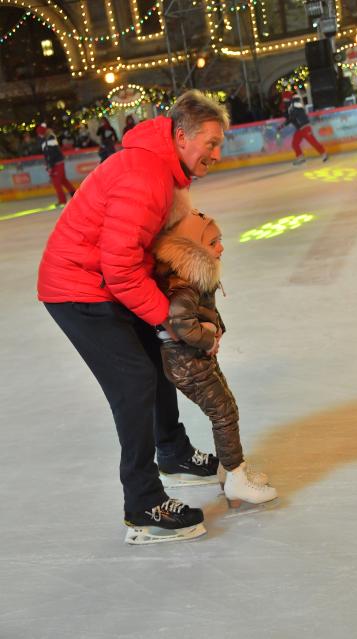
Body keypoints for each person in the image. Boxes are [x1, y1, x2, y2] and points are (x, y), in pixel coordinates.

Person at [37, 90, 230, 545]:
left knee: (157, 356)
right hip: (78, 290)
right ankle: (143, 504)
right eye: (211, 143)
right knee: (135, 381)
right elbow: (119, 268)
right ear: (181, 137)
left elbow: (141, 256)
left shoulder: (163, 170)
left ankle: (174, 452)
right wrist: (174, 320)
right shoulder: (147, 178)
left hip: (104, 281)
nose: (218, 154)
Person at [153, 210, 277, 507]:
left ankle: (229, 469)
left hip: (194, 359)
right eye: (213, 242)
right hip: (187, 362)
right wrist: (208, 337)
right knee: (224, 414)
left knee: (226, 410)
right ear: (192, 248)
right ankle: (236, 479)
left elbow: (203, 314)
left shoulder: (196, 275)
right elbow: (181, 322)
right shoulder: (183, 284)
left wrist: (214, 330)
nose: (220, 247)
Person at [279, 90, 328, 165]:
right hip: (299, 129)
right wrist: (285, 115)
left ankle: (324, 153)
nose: (284, 100)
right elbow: (291, 118)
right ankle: (300, 157)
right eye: (283, 99)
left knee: (313, 141)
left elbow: (293, 116)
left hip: (305, 127)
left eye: (285, 99)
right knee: (295, 143)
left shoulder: (295, 105)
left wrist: (283, 124)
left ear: (287, 98)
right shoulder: (290, 108)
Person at [36, 123, 75, 206]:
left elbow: (52, 154)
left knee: (57, 183)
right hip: (56, 163)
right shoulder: (44, 140)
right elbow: (47, 154)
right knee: (63, 180)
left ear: (41, 132)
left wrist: (50, 165)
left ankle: (62, 201)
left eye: (39, 133)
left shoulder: (50, 138)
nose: (38, 135)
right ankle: (74, 194)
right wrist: (48, 164)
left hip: (57, 163)